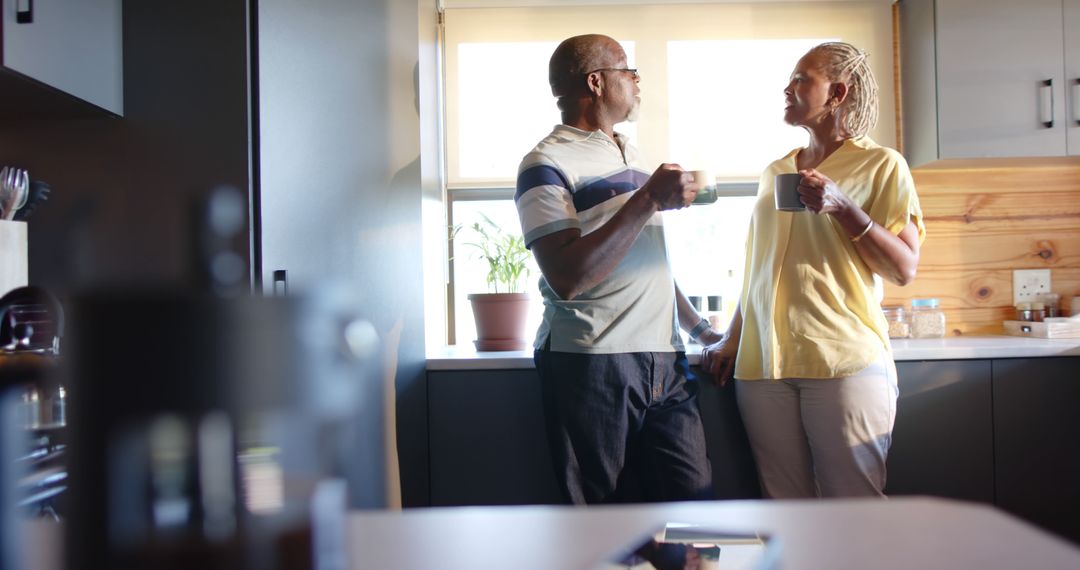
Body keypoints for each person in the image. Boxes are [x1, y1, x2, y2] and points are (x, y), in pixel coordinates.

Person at [699, 41, 925, 499]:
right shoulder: (775, 171)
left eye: (802, 78)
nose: (788, 87)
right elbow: (758, 267)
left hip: (842, 359)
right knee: (785, 508)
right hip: (763, 365)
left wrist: (845, 208)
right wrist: (734, 338)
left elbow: (903, 269)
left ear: (837, 93)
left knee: (853, 508)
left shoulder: (881, 165)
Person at [515, 33, 719, 506]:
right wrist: (648, 199)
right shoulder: (545, 163)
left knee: (696, 508)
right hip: (592, 361)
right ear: (597, 82)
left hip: (665, 359)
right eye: (628, 71)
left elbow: (649, 261)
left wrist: (702, 330)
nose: (636, 81)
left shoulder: (632, 153)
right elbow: (567, 276)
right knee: (602, 527)